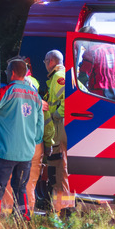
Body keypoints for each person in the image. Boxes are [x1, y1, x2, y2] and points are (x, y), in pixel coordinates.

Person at [0, 58, 43, 219]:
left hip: (6, 151)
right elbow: (39, 126)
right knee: (21, 187)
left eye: (8, 71)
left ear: (13, 72)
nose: (7, 74)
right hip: (26, 152)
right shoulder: (35, 96)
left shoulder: (7, 91)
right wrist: (33, 142)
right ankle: (23, 217)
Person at [43, 50, 74, 215]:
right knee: (61, 170)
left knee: (58, 170)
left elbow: (67, 99)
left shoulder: (59, 77)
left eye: (45, 62)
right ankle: (63, 208)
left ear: (51, 61)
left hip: (59, 128)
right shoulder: (64, 75)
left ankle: (61, 210)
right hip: (59, 129)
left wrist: (57, 113)